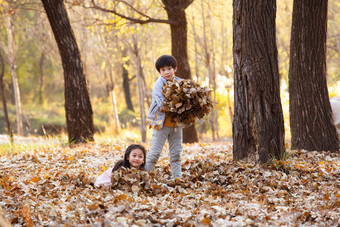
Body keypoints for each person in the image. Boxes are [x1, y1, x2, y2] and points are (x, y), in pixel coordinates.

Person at [145, 55, 183, 179]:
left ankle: (177, 178)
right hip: (160, 124)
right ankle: (145, 177)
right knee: (155, 153)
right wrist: (177, 104)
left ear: (175, 68)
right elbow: (161, 103)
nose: (167, 72)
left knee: (176, 153)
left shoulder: (180, 83)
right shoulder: (158, 85)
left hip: (176, 126)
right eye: (163, 70)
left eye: (169, 68)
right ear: (159, 72)